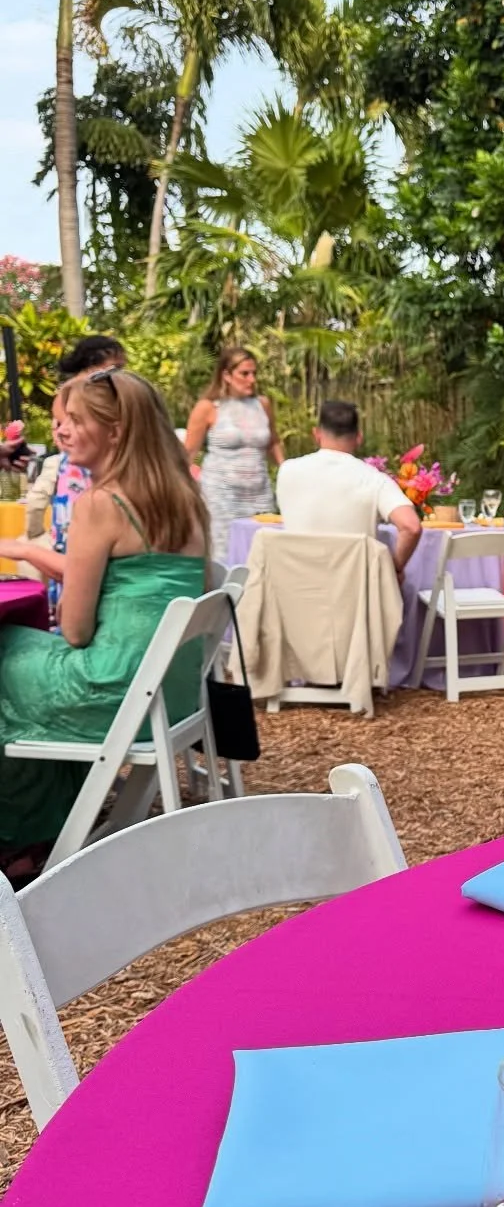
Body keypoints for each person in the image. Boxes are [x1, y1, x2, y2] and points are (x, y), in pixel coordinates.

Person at [0, 369, 208, 869]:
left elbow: (75, 631)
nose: (62, 430)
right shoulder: (185, 498)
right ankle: (41, 834)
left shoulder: (101, 503)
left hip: (114, 690)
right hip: (170, 693)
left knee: (5, 649)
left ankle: (23, 835)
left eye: (76, 420)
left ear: (115, 432)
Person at [8, 336, 128, 617]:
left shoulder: (105, 498)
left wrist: (26, 548)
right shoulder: (79, 397)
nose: (61, 433)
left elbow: (77, 632)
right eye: (115, 368)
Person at [275, 400, 422, 577]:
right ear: (359, 437)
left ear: (316, 434)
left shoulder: (287, 471)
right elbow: (411, 527)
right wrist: (395, 568)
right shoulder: (373, 479)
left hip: (295, 586)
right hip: (355, 590)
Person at [184, 347, 285, 560]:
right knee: (222, 553)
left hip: (259, 494)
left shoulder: (262, 405)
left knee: (260, 553)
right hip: (220, 496)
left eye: (254, 373)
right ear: (227, 376)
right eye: (244, 374)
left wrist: (286, 470)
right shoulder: (208, 408)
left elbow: (273, 441)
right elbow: (189, 451)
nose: (251, 380)